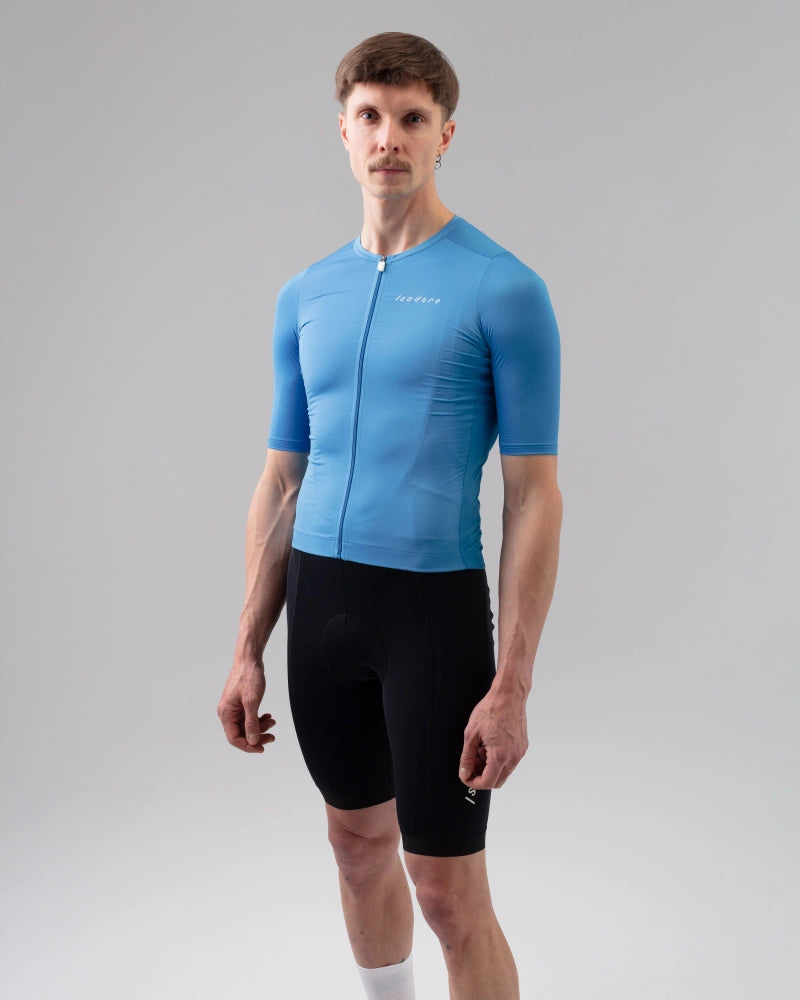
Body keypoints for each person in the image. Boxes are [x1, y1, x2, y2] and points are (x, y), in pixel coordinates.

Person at [217, 31, 562, 1000]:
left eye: (412, 118)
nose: (388, 138)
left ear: (444, 133)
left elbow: (533, 494)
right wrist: (245, 646)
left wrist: (512, 682)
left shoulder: (503, 288)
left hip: (431, 615)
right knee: (355, 847)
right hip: (321, 607)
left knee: (446, 892)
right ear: (343, 130)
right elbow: (281, 480)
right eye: (369, 116)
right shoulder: (306, 293)